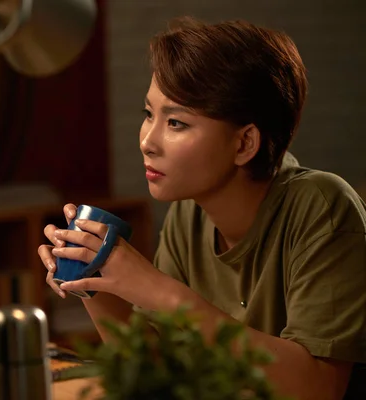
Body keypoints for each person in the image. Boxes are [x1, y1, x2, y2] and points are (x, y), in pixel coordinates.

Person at [37, 17, 366, 400]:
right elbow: (153, 370)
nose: (147, 141)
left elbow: (318, 388)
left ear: (245, 144)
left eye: (176, 122)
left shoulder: (321, 207)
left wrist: (159, 291)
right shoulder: (189, 212)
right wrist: (92, 283)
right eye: (149, 114)